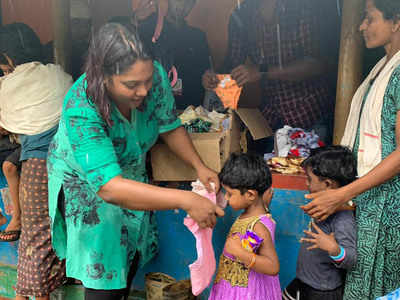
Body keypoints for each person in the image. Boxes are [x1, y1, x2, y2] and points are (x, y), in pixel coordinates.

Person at [47, 23, 224, 300]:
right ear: (104, 77)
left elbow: (168, 124)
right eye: (132, 85)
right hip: (89, 181)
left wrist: (199, 167)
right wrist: (185, 199)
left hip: (128, 170)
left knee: (129, 252)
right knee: (104, 267)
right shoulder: (82, 106)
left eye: (148, 80)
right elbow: (109, 188)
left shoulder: (153, 78)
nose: (144, 91)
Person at [302, 1, 400, 298]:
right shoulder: (383, 66)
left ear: (396, 22)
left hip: (388, 208)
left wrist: (343, 193)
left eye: (369, 19)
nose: (361, 27)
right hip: (370, 201)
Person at [0, 22, 73, 300]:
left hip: (38, 167)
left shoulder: (10, 85)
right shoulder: (58, 74)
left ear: (8, 58)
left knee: (36, 238)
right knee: (51, 235)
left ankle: (26, 295)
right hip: (68, 164)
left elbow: (7, 125)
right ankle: (29, 293)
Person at [202, 0, 336, 143]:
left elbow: (316, 64)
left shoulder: (301, 7)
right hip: (272, 118)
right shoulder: (242, 15)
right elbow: (232, 63)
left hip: (310, 114)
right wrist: (214, 78)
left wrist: (262, 72)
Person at [283, 146, 357, 300]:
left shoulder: (342, 219)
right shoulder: (322, 207)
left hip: (323, 292)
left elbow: (351, 259)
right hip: (305, 282)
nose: (307, 184)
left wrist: (334, 249)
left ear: (328, 184)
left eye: (310, 179)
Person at [111, 0, 211, 109]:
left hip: (189, 111)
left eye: (188, 2)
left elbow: (206, 73)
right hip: (154, 109)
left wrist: (208, 79)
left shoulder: (197, 36)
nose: (183, 6)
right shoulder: (146, 30)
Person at [208, 153, 281, 300]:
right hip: (236, 286)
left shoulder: (258, 226)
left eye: (229, 194)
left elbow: (273, 267)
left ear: (250, 195)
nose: (226, 199)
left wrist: (239, 252)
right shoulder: (257, 210)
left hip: (248, 292)